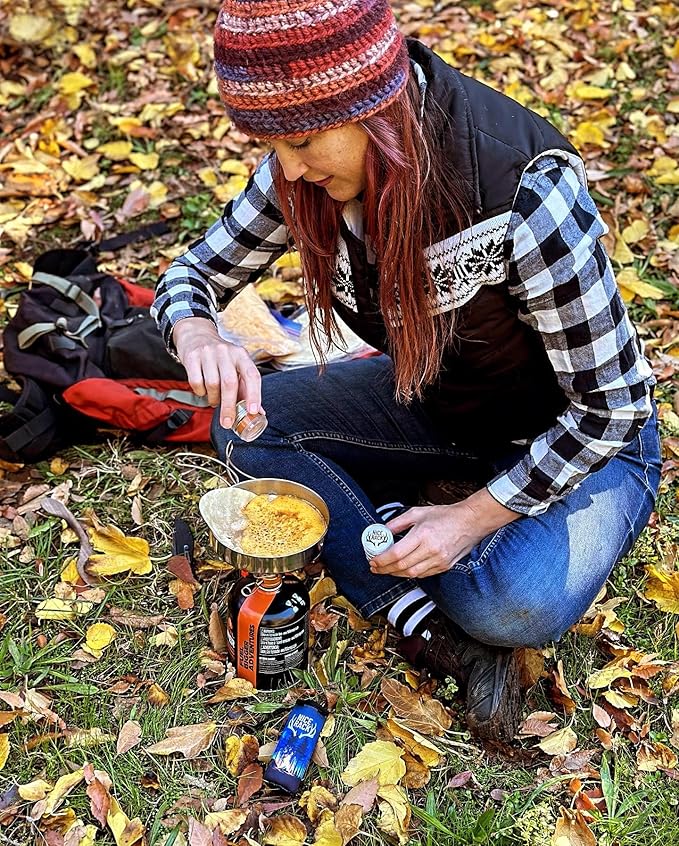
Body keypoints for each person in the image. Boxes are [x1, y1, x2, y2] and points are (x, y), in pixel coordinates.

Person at [152, 0, 661, 741]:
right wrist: (197, 330)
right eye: (272, 145)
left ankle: (407, 520)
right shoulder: (304, 171)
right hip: (440, 410)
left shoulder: (520, 189)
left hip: (584, 445)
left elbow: (613, 407)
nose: (286, 168)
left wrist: (472, 517)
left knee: (510, 604)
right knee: (246, 430)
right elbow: (192, 271)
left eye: (299, 141)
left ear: (376, 109)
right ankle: (420, 621)